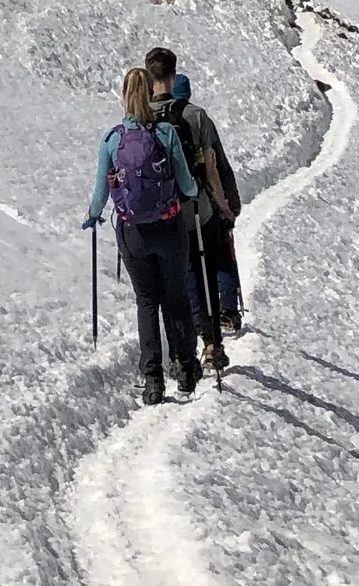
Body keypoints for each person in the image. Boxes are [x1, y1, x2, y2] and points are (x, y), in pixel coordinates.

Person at [84, 64, 203, 404]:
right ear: (152, 93)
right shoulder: (166, 134)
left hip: (133, 231)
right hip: (169, 226)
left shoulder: (113, 139)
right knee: (176, 297)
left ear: (124, 96)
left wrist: (93, 216)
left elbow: (100, 190)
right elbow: (186, 184)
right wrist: (193, 189)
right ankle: (184, 366)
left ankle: (152, 377)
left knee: (147, 301)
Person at [145, 44, 242, 371]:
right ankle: (212, 342)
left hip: (158, 213)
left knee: (180, 280)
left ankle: (182, 351)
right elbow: (215, 166)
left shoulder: (141, 117)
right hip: (198, 209)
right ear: (173, 74)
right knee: (208, 270)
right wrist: (228, 205)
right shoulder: (195, 116)